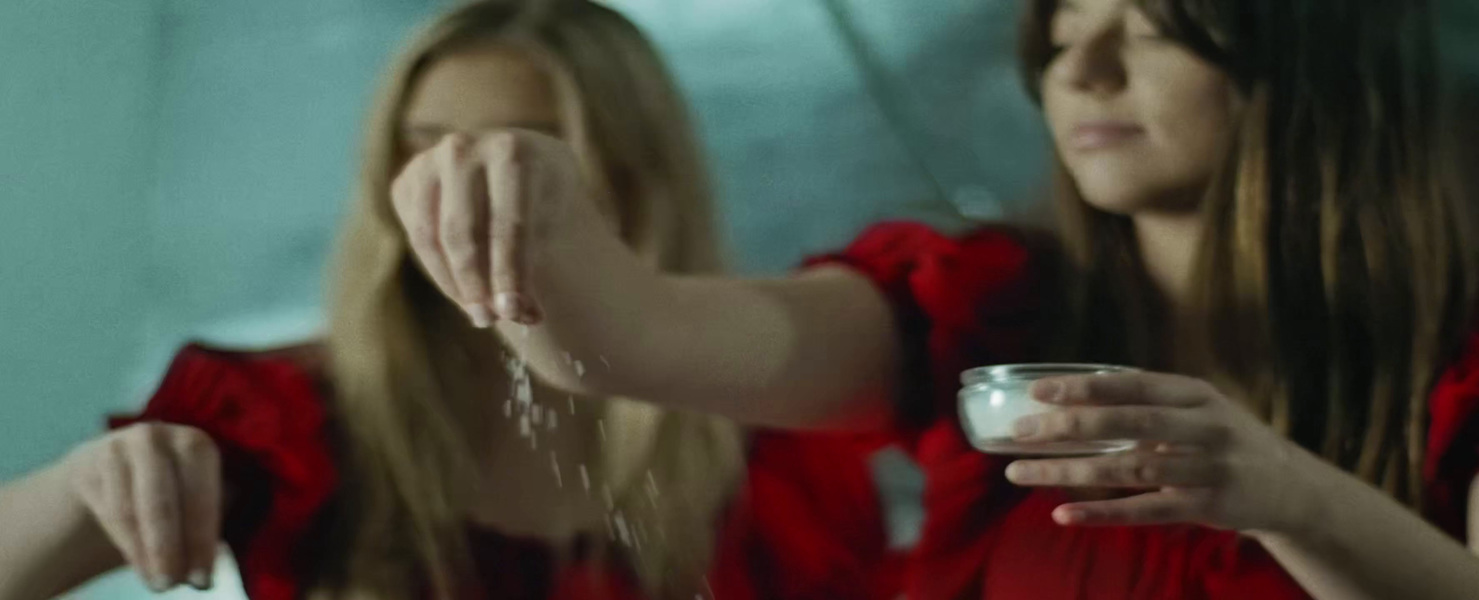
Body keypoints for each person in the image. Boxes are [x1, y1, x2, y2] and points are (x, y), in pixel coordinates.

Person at [385, 0, 1479, 598]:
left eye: (1150, 26)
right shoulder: (991, 310)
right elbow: (629, 341)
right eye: (1064, 30)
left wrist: (1291, 497)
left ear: (1310, 61)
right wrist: (521, 196)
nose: (1083, 68)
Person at [0, 2, 897, 599]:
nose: (451, 193)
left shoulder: (779, 454)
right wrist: (77, 489)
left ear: (629, 175)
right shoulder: (286, 420)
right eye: (424, 148)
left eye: (519, 155)